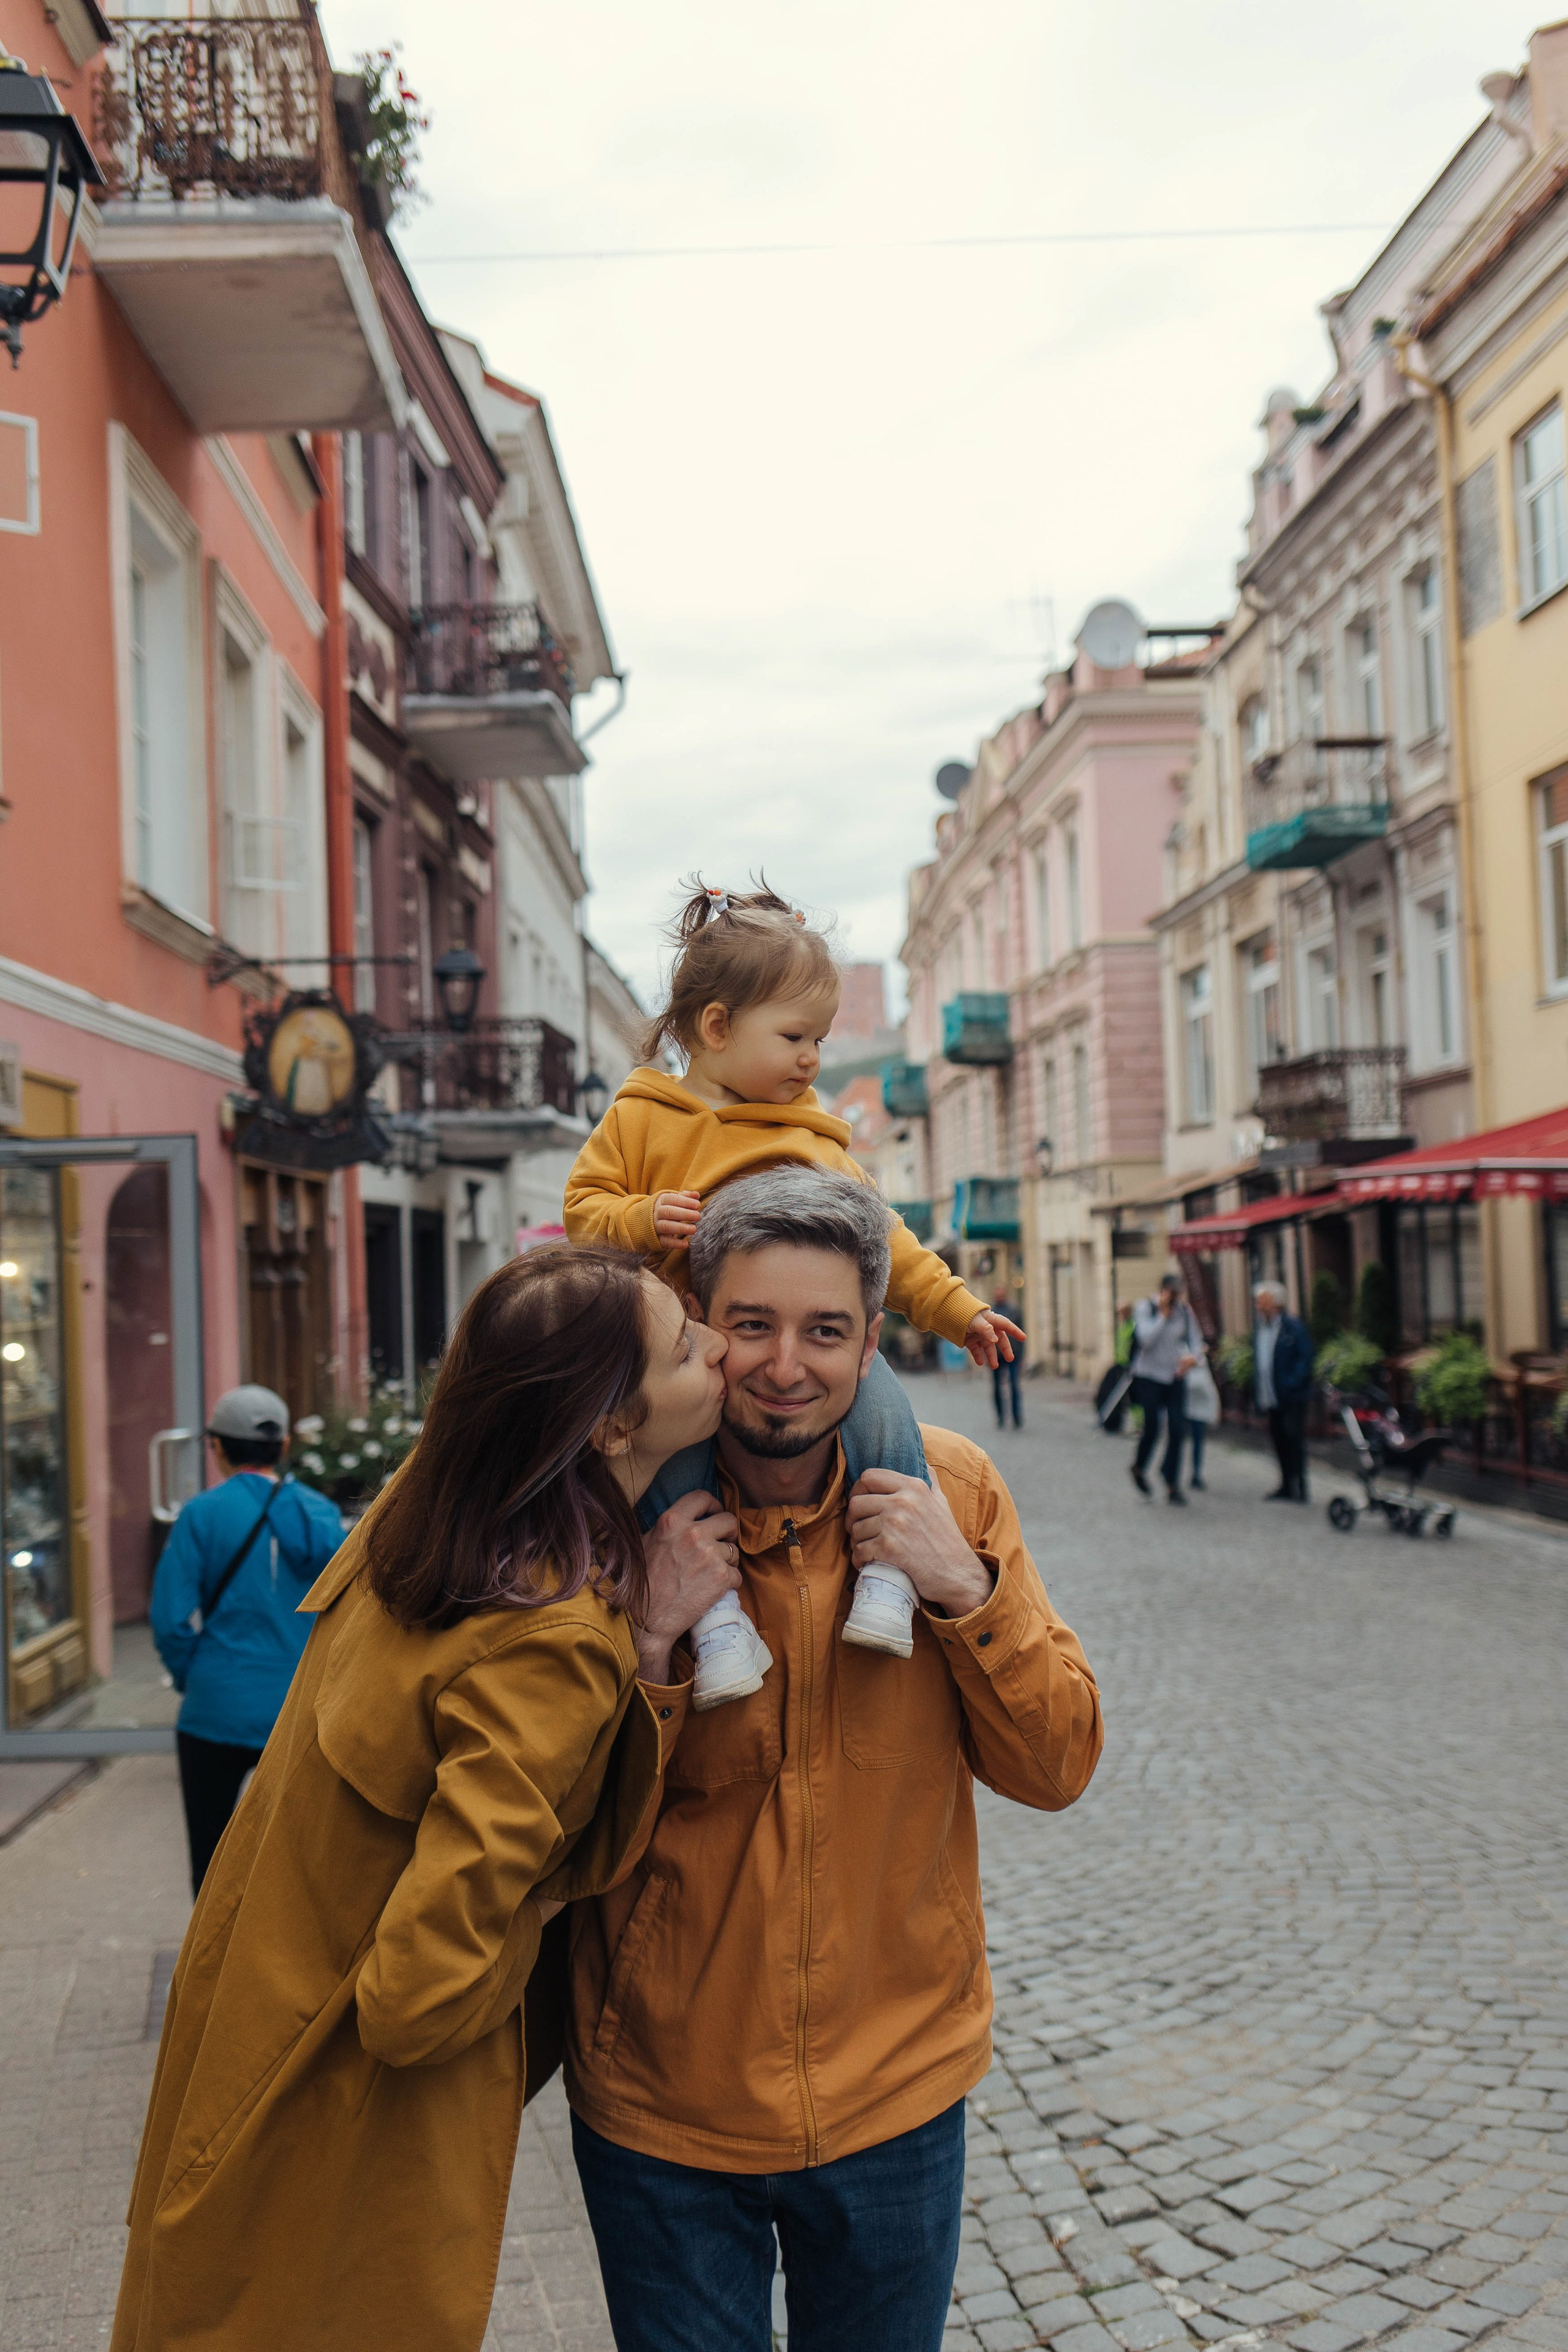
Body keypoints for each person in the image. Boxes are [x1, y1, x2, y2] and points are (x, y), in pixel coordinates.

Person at [113, 1245, 742, 2352]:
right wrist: (541, 1910)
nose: (724, 1352)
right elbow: (420, 1995)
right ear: (605, 1425)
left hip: (248, 2053)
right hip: (338, 2135)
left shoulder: (432, 1515)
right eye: (689, 1346)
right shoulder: (548, 1634)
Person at [564, 1168, 1104, 2352]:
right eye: (750, 1326)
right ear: (703, 1330)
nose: (784, 1365)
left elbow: (1057, 1763)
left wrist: (963, 1588)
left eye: (824, 1331)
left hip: (895, 2098)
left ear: (871, 1349)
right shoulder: (613, 1517)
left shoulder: (951, 1491)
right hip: (666, 2110)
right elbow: (552, 1829)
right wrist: (653, 1641)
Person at [565, 880, 1025, 1702]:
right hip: (681, 1359)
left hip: (741, 1355)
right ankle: (716, 1624)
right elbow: (583, 1213)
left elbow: (891, 1246)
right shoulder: (642, 1117)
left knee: (885, 1418)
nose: (814, 1059)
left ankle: (888, 1579)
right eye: (795, 1037)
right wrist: (640, 1217)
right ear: (716, 1028)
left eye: (819, 1038)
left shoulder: (813, 1138)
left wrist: (961, 1311)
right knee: (674, 1487)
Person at [149, 1385, 344, 1895]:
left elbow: (170, 1618)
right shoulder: (321, 1514)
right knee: (302, 1861)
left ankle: (210, 1969)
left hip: (216, 1707)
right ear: (282, 1448)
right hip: (302, 1707)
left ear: (217, 1447)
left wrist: (198, 1673)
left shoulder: (202, 1515)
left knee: (210, 1859)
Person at [1128, 1272, 1202, 1504]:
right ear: (1163, 1290)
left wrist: (1193, 1357)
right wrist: (1162, 1316)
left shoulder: (1185, 1312)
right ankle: (1139, 1467)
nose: (1175, 1298)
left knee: (1178, 1430)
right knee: (1152, 1427)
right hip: (1148, 1376)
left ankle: (1171, 1483)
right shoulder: (1145, 1308)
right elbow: (1145, 1340)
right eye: (1172, 1292)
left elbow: (1196, 1341)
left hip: (1174, 1376)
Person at [1254, 1278, 1314, 1501]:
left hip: (1292, 1395)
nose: (1258, 1306)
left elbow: (1306, 1357)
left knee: (1293, 1438)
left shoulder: (1293, 1327)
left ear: (1276, 1304)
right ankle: (1286, 1484)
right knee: (1279, 1439)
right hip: (1271, 1395)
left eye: (1262, 1302)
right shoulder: (1260, 1328)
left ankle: (1300, 1485)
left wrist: (1292, 1382)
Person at [1183, 1346, 1221, 1490]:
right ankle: (1172, 1472)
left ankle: (1196, 1473)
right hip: (1184, 1401)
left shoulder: (1198, 1347)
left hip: (1198, 1402)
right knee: (1180, 1439)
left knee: (1197, 1439)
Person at [989, 1281, 1025, 1429]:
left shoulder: (1015, 1310)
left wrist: (1022, 1355)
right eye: (998, 1293)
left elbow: (1021, 1333)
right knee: (997, 1387)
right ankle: (1001, 1416)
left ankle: (1017, 1416)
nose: (1000, 1296)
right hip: (996, 1354)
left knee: (1014, 1386)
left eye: (1002, 1293)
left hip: (1013, 1354)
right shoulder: (989, 1311)